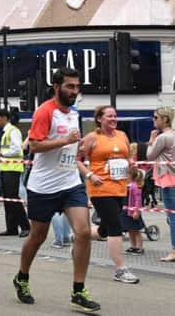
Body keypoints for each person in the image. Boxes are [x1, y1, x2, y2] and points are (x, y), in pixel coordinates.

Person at [13, 67, 100, 313]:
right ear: (57, 87)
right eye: (70, 86)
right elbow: (34, 147)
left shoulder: (73, 113)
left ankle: (79, 290)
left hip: (70, 182)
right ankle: (22, 277)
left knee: (82, 232)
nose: (74, 91)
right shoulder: (45, 111)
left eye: (77, 86)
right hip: (43, 186)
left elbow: (73, 146)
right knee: (38, 236)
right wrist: (66, 141)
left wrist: (82, 146)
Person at [79, 105, 139, 284]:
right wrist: (90, 175)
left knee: (105, 229)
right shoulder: (92, 138)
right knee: (115, 226)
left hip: (120, 187)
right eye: (109, 116)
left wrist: (131, 165)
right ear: (99, 119)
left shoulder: (122, 136)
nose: (113, 119)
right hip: (100, 188)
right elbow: (77, 160)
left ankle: (80, 236)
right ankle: (120, 269)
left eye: (115, 116)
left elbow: (127, 157)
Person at [146, 106, 175, 262]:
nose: (153, 120)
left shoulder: (163, 137)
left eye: (156, 117)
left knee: (173, 218)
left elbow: (149, 156)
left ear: (165, 119)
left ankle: (174, 251)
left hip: (167, 179)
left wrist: (151, 140)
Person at [0, 109, 30, 237]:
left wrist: (1, 153)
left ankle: (25, 226)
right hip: (6, 168)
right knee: (7, 199)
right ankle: (11, 228)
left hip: (13, 169)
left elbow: (17, 149)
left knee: (13, 198)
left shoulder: (13, 131)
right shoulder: (6, 132)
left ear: (5, 118)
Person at [123, 169, 145, 255]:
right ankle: (133, 246)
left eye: (126, 175)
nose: (125, 177)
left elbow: (138, 200)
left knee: (136, 230)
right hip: (127, 212)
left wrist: (137, 211)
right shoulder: (126, 185)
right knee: (130, 229)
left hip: (133, 212)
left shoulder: (135, 186)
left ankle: (140, 247)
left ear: (131, 176)